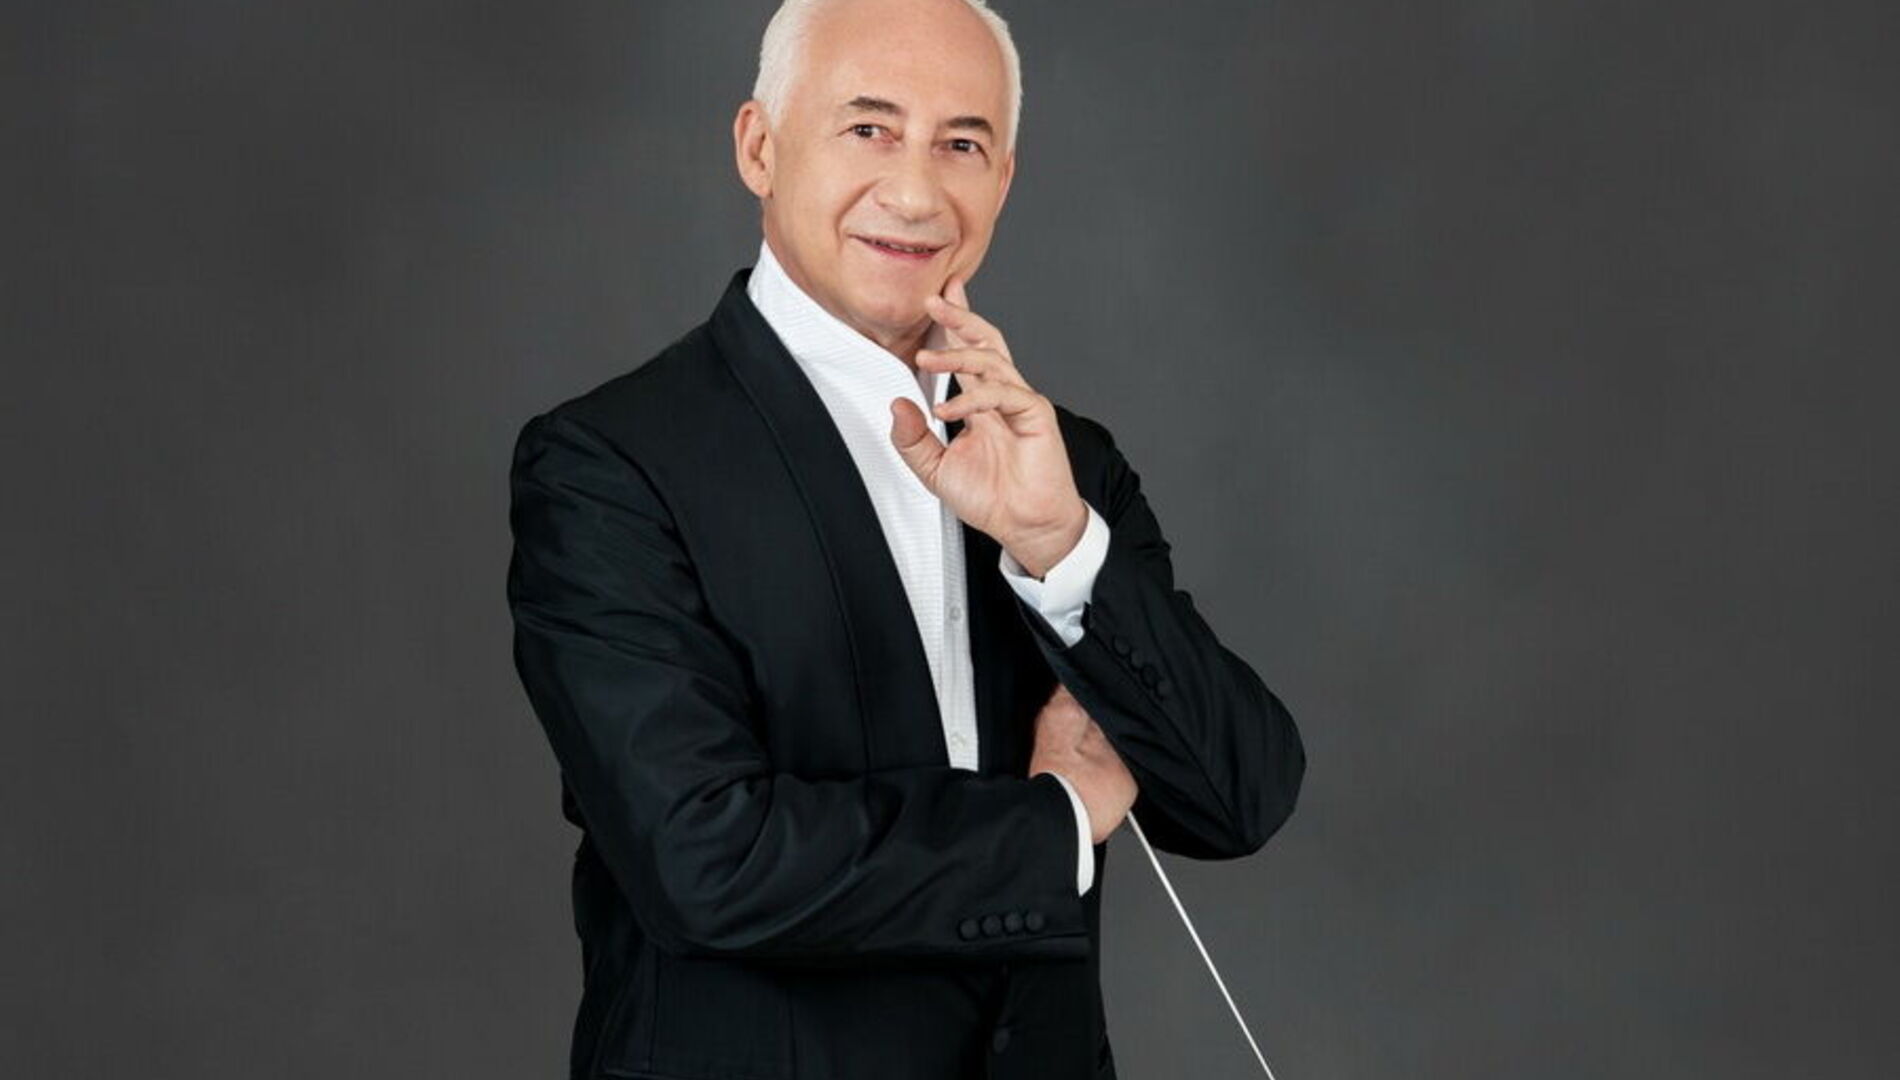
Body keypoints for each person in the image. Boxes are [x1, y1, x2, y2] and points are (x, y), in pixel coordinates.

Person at [505, 1, 1305, 1077]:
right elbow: (708, 862)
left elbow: (1238, 796)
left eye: (961, 145)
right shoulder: (608, 464)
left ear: (1004, 181)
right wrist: (1056, 822)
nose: (917, 192)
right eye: (868, 128)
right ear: (759, 147)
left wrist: (1058, 542)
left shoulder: (1063, 463)